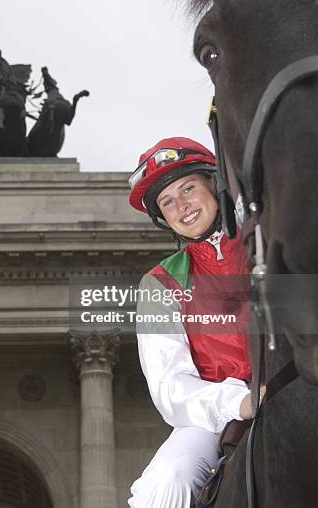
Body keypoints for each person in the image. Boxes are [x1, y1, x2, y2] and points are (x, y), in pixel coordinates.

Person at [127, 137, 257, 508]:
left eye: (188, 189)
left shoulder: (265, 242)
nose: (181, 206)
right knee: (169, 480)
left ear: (214, 186)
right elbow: (170, 387)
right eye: (168, 202)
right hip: (212, 417)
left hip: (295, 385)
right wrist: (241, 401)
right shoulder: (159, 283)